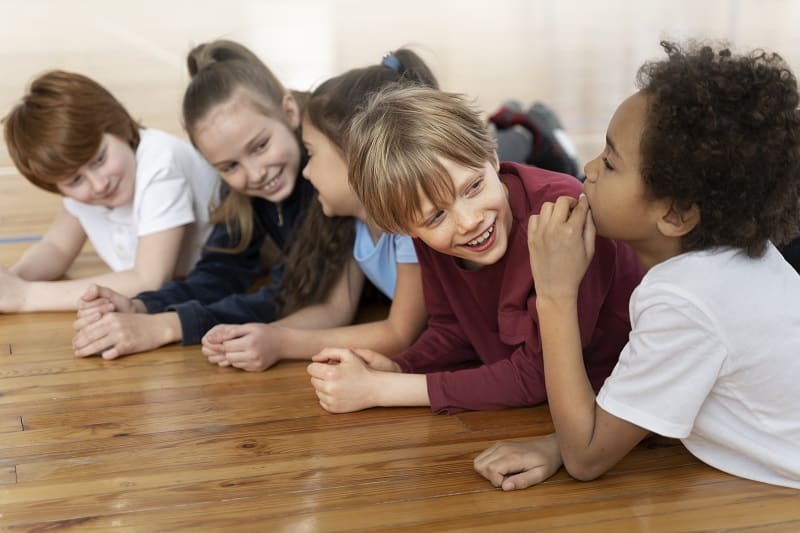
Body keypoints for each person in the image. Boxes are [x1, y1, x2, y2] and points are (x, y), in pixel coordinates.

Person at [474, 41, 800, 490]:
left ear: (676, 215)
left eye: (610, 162)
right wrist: (560, 442)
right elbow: (667, 388)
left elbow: (586, 459)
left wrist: (554, 292)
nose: (588, 168)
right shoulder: (747, 256)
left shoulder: (684, 301)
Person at [306, 85, 643, 414]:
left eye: (474, 187)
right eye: (436, 216)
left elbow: (539, 375)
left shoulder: (562, 216)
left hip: (616, 401)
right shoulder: (429, 238)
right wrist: (398, 367)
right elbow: (452, 328)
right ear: (407, 229)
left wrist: (381, 390)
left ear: (492, 156)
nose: (468, 221)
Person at [71, 39, 356, 360]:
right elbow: (220, 270)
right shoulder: (243, 189)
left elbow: (293, 294)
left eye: (260, 146)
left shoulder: (323, 181)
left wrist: (170, 326)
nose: (255, 173)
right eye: (230, 166)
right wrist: (143, 305)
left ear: (289, 111)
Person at [200, 50, 433, 371]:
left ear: (355, 158)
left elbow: (399, 334)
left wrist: (282, 344)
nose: (307, 173)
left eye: (311, 153)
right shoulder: (355, 223)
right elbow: (335, 309)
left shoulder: (410, 225)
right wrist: (263, 335)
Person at [0, 70, 218, 312]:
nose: (98, 184)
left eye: (100, 159)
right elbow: (57, 248)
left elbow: (149, 280)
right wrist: (12, 281)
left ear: (119, 126)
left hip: (241, 274)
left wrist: (25, 296)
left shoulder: (160, 164)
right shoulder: (89, 185)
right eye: (74, 181)